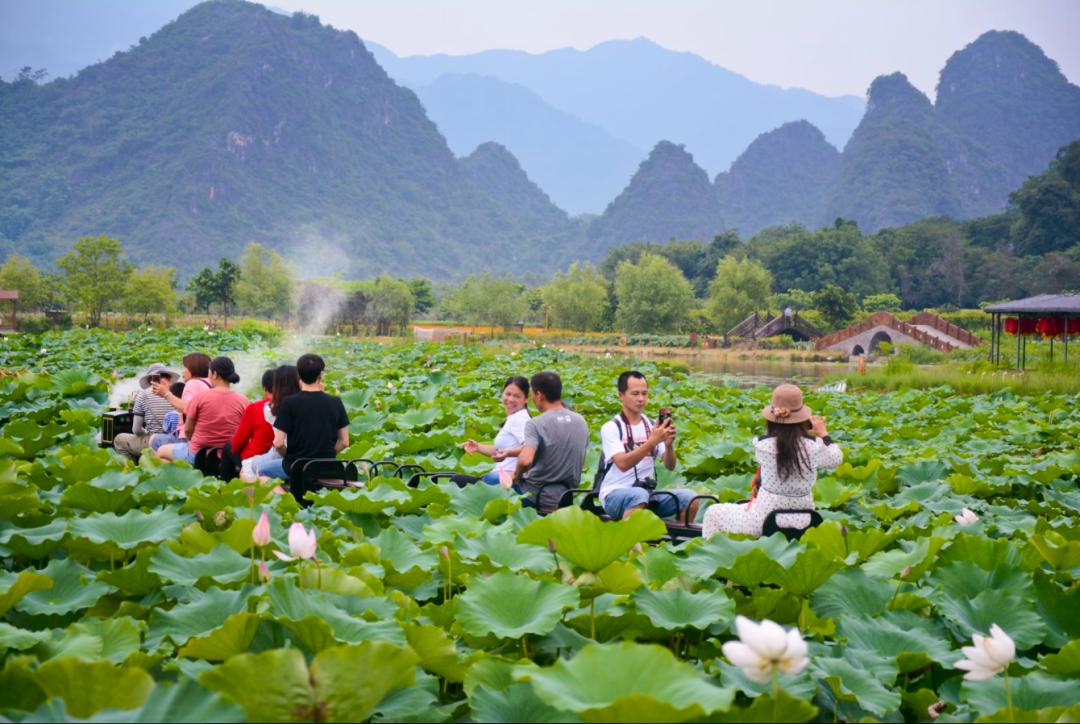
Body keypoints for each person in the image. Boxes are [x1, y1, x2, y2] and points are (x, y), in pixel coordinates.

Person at [702, 383, 842, 538]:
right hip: (805, 522)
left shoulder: (761, 444)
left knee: (713, 512)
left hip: (762, 521)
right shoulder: (815, 446)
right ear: (803, 418)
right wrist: (823, 434)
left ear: (772, 417)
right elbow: (836, 459)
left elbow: (779, 447)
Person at [597, 370, 698, 521]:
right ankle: (631, 543)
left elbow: (670, 466)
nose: (641, 399)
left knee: (691, 499)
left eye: (644, 394)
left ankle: (677, 543)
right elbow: (623, 463)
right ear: (621, 396)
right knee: (638, 495)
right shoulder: (612, 427)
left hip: (648, 494)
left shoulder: (651, 425)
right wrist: (652, 442)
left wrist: (669, 445)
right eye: (635, 394)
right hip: (614, 494)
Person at [511, 371, 589, 510]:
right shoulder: (580, 421)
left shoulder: (535, 424)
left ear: (539, 395)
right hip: (567, 495)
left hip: (535, 496)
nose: (532, 399)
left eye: (532, 394)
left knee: (488, 482)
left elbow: (525, 460)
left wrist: (517, 475)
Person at [273, 354, 349, 493]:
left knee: (259, 472)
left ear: (299, 375)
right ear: (321, 375)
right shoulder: (336, 402)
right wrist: (327, 456)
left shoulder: (289, 403)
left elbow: (278, 443)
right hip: (328, 466)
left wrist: (290, 458)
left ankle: (287, 503)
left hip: (297, 465)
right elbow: (344, 442)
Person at [157, 357, 248, 465]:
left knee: (161, 451)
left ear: (214, 374)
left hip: (198, 453)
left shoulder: (200, 397)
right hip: (227, 454)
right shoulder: (244, 400)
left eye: (209, 372)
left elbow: (188, 431)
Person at [456, 376, 530, 486]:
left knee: (456, 481)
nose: (510, 399)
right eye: (508, 394)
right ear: (502, 393)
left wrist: (509, 455)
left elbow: (529, 448)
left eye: (517, 396)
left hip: (508, 479)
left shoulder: (519, 418)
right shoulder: (515, 417)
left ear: (525, 399)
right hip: (501, 477)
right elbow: (500, 451)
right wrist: (478, 447)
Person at [245, 365, 301, 481]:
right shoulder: (311, 404)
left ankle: (279, 498)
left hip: (284, 456)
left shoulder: (272, 408)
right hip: (313, 458)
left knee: (247, 467)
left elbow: (279, 444)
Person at [113, 363, 178, 461]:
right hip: (176, 441)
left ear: (150, 380)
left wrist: (146, 432)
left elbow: (136, 430)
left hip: (154, 441)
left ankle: (132, 470)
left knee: (119, 439)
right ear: (167, 377)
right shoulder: (177, 393)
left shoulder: (143, 395)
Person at [150, 353, 212, 450]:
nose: (183, 371)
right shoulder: (210, 384)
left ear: (193, 369)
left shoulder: (192, 383)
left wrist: (166, 394)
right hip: (207, 439)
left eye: (185, 367)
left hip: (189, 439)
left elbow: (189, 408)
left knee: (154, 439)